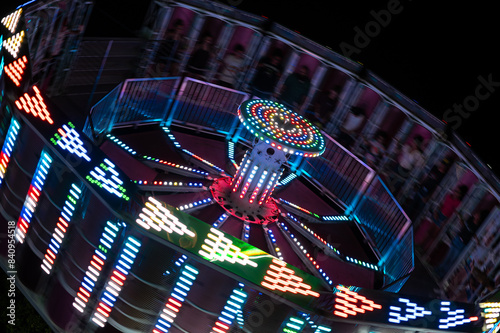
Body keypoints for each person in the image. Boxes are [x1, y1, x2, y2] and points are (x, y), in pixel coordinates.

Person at [435, 210, 489, 277]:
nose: (475, 214)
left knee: (453, 259)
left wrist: (477, 241)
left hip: (463, 243)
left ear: (479, 217)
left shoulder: (477, 227)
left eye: (477, 214)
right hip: (458, 238)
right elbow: (464, 225)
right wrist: (460, 217)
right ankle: (439, 269)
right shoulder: (470, 219)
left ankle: (443, 273)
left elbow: (474, 235)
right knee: (448, 255)